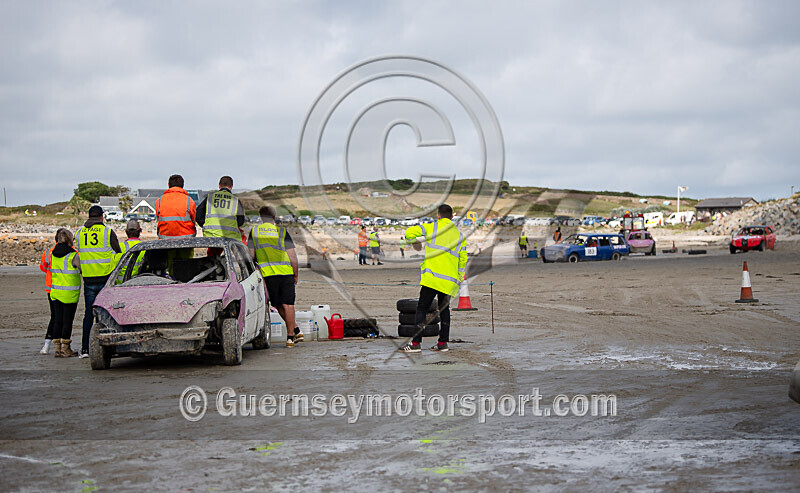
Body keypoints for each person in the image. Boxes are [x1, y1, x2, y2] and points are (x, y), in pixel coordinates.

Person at [400, 204, 467, 352]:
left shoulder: (431, 227)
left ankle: (416, 344)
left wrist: (413, 241)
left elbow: (409, 232)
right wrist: (459, 277)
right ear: (452, 217)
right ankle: (443, 343)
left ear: (438, 215)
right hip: (449, 281)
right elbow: (463, 260)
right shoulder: (460, 236)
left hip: (432, 278)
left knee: (422, 309)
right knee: (444, 311)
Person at [249, 206, 302, 347]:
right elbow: (293, 257)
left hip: (268, 275)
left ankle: (295, 330)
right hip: (286, 273)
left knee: (277, 304)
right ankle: (291, 336)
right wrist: (295, 274)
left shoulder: (254, 232)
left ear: (261, 217)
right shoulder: (282, 232)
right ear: (274, 217)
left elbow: (251, 255)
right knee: (289, 304)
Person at [75, 205, 121, 358]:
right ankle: (110, 347)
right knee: (107, 313)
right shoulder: (107, 232)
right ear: (102, 217)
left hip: (88, 278)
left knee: (89, 313)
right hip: (105, 277)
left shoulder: (79, 233)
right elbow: (118, 252)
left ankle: (85, 349)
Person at [50, 229, 81, 357]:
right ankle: (66, 348)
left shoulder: (52, 254)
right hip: (69, 293)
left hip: (56, 291)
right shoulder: (72, 255)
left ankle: (57, 348)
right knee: (67, 321)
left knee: (58, 320)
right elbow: (81, 269)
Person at [196, 175, 244, 240]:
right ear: (231, 186)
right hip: (230, 237)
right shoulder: (236, 200)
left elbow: (198, 215)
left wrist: (206, 226)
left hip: (211, 235)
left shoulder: (210, 198)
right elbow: (241, 221)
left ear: (219, 186)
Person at [38, 233, 61, 354]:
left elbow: (43, 267)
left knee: (54, 317)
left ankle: (47, 345)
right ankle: (62, 346)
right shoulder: (73, 252)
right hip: (67, 289)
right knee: (64, 319)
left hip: (51, 288)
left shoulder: (48, 252)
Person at [155, 174, 197, 239]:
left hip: (164, 239)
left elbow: (159, 218)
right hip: (187, 239)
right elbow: (193, 219)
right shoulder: (189, 201)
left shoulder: (160, 201)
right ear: (182, 185)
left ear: (169, 185)